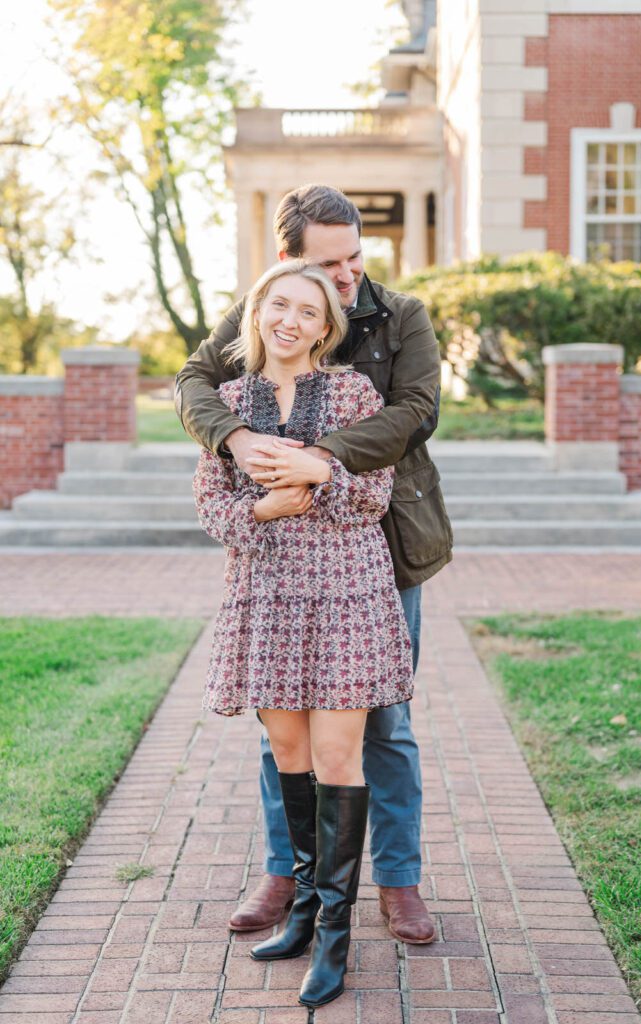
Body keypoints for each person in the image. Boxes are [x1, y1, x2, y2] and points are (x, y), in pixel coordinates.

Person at [176, 184, 453, 944]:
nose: (344, 276)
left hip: (381, 543)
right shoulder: (268, 305)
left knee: (382, 726)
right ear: (287, 259)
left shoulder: (400, 315)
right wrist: (235, 438)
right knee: (285, 725)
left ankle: (397, 881)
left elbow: (416, 411)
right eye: (327, 262)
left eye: (354, 257)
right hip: (282, 557)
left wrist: (317, 458)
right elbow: (192, 383)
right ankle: (288, 875)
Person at [193, 259, 414, 1007]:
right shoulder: (228, 405)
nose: (290, 321)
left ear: (326, 330)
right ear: (258, 312)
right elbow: (212, 510)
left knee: (336, 754)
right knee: (287, 751)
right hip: (268, 594)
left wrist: (319, 475)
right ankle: (303, 911)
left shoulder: (353, 392)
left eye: (308, 313)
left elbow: (373, 495)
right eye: (279, 305)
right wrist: (262, 511)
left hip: (346, 594)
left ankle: (335, 938)